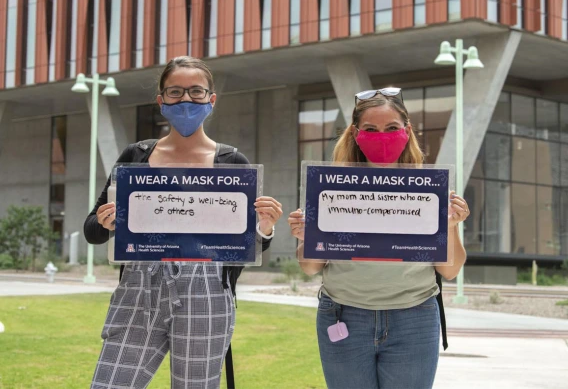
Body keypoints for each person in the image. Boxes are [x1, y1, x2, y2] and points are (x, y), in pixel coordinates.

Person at [84, 56, 283, 389]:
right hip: (139, 289)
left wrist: (265, 227)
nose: (186, 100)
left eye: (196, 91)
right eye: (175, 92)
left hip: (206, 293)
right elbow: (92, 230)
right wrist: (106, 223)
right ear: (161, 101)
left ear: (211, 99)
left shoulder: (231, 162)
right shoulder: (136, 156)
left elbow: (248, 247)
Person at [288, 87, 469, 389]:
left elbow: (449, 271)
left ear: (407, 131)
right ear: (356, 133)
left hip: (414, 318)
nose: (381, 136)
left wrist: (451, 225)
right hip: (343, 315)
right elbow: (310, 267)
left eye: (391, 128)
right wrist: (305, 236)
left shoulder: (430, 191)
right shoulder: (330, 189)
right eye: (371, 129)